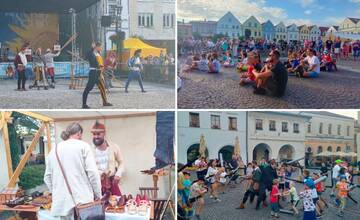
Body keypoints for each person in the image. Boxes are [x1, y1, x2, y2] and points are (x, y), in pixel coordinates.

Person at [44, 122, 102, 220]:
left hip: (61, 204)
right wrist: (98, 194)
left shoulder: (54, 149)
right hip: (82, 202)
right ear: (79, 133)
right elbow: (93, 173)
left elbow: (47, 177)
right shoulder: (83, 146)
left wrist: (57, 192)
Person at [90, 121, 124, 197]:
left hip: (112, 181)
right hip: (97, 183)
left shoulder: (114, 146)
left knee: (117, 204)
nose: (96, 137)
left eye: (98, 134)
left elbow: (121, 162)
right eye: (94, 134)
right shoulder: (89, 149)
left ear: (104, 133)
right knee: (98, 205)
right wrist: (100, 173)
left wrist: (118, 174)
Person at [82, 42, 112, 109]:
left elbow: (99, 63)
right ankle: (84, 104)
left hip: (98, 73)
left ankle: (105, 102)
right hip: (93, 73)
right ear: (97, 47)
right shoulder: (91, 53)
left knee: (102, 87)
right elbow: (86, 56)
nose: (101, 48)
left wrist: (101, 68)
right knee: (88, 88)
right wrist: (92, 48)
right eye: (100, 47)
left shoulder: (98, 54)